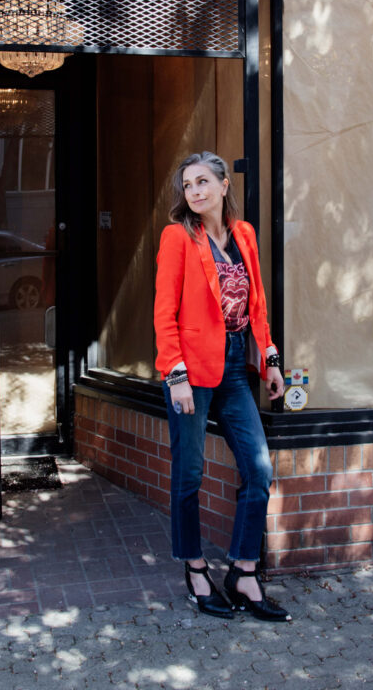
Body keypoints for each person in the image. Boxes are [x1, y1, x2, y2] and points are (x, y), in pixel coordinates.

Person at [154, 150, 291, 622]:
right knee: (189, 475)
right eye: (187, 185)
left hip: (235, 370)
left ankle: (244, 572)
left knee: (258, 471)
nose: (194, 192)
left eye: (202, 182)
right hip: (190, 372)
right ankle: (195, 569)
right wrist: (176, 377)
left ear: (223, 185)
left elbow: (256, 304)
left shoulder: (244, 234)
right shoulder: (177, 237)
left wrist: (269, 358)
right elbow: (163, 312)